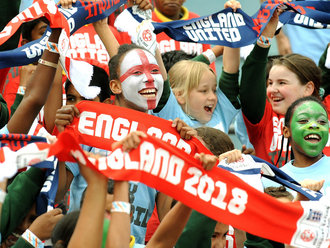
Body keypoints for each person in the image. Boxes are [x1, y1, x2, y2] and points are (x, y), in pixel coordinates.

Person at [238, 5, 327, 167]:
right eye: (270, 83)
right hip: (273, 192)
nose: (272, 90)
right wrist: (266, 36)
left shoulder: (325, 109)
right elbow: (250, 80)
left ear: (308, 88)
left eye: (282, 83)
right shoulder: (264, 117)